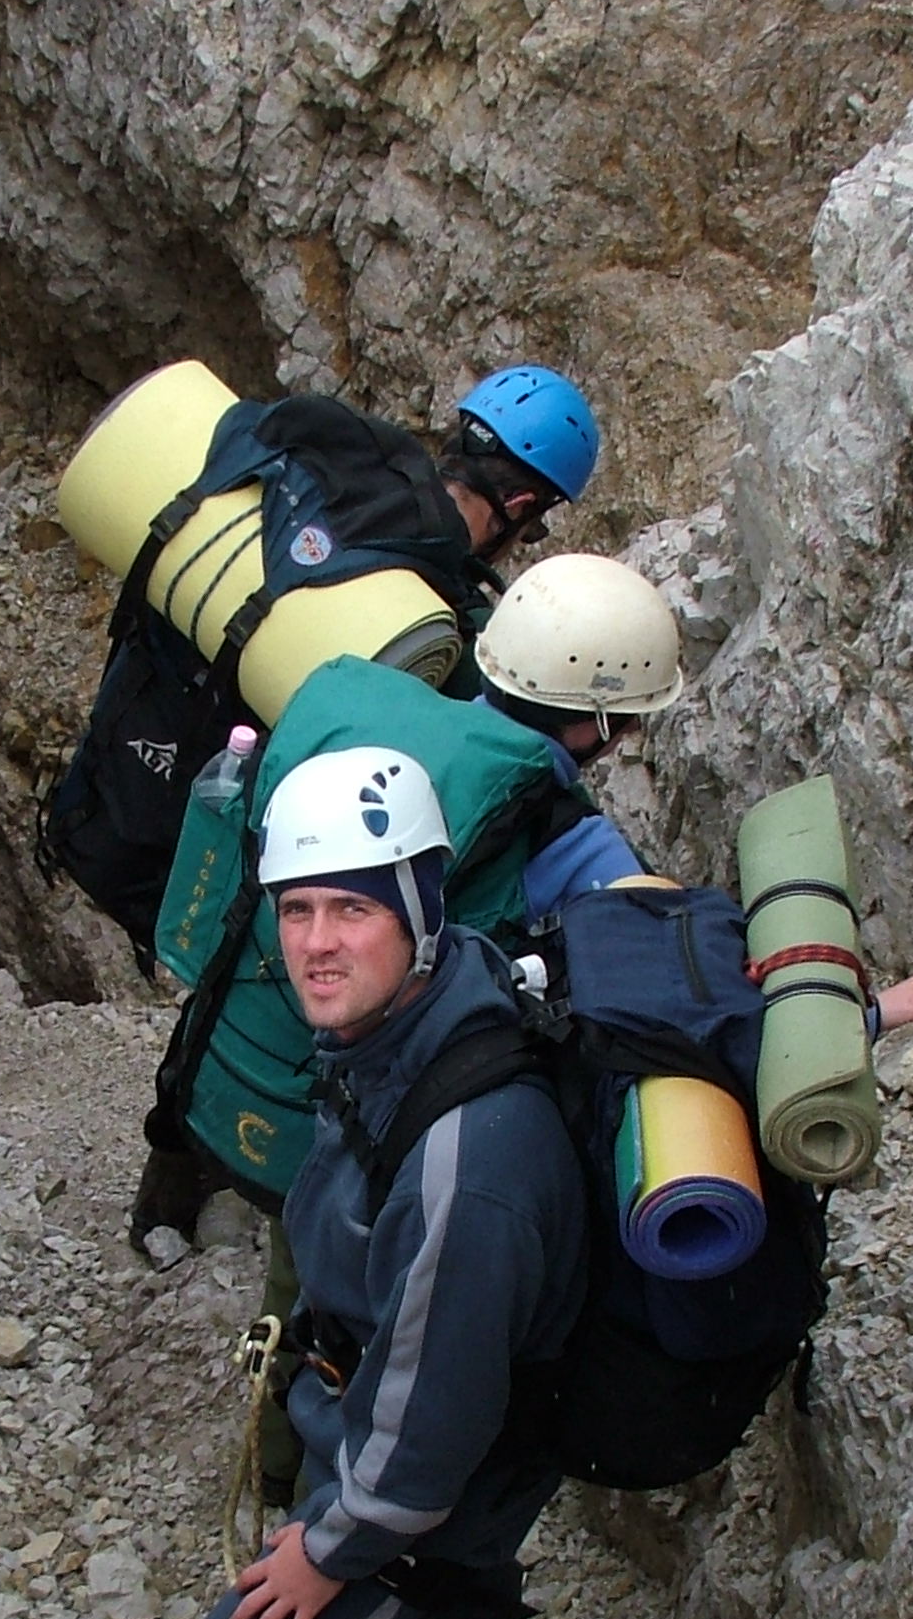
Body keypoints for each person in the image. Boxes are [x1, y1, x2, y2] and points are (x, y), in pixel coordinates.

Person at [73, 750, 585, 1619]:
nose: (313, 942)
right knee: (469, 1588)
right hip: (476, 1436)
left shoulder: (470, 1156)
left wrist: (332, 1544)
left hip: (435, 1477)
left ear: (420, 905)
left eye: (350, 906)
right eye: (295, 908)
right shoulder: (422, 1015)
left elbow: (429, 1432)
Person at [106, 367, 606, 1243]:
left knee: (228, 986)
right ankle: (295, 1218)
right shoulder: (438, 616)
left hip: (249, 801)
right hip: (339, 842)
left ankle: (164, 1200)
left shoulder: (363, 491)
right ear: (524, 502)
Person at [470, 553, 913, 1030]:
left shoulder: (430, 729)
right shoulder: (583, 851)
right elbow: (695, 1010)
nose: (632, 732)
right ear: (597, 725)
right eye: (631, 719)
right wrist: (869, 1016)